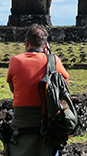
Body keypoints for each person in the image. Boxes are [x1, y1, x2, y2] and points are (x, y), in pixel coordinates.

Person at [6, 24, 69, 156]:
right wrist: (50, 58)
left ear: (27, 42)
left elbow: (14, 89)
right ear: (46, 45)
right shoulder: (54, 61)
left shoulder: (15, 60)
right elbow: (64, 88)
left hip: (21, 123)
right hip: (47, 123)